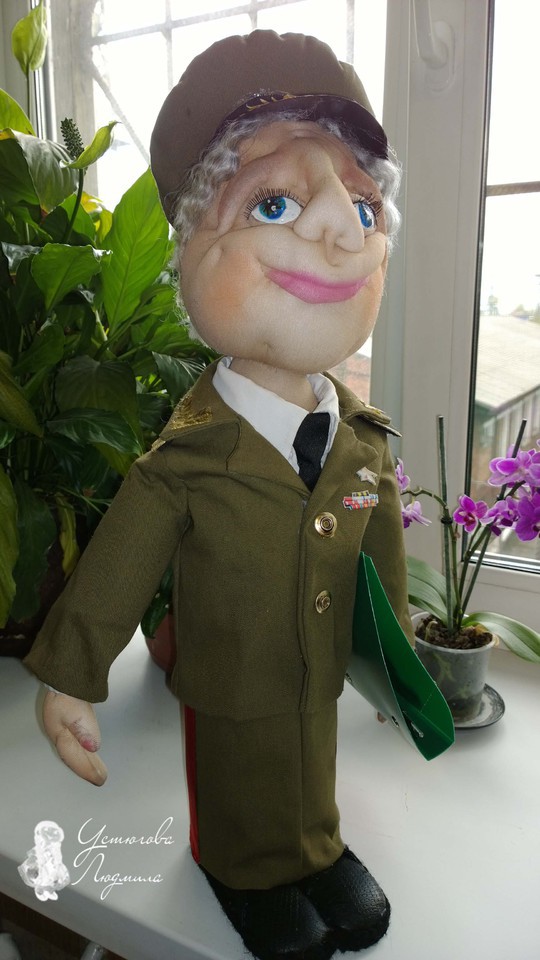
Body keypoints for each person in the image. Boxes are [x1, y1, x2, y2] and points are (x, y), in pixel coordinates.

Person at [25, 30, 413, 960]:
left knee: (311, 765)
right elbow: (120, 566)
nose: (340, 231)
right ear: (189, 249)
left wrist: (397, 663)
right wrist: (70, 677)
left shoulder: (361, 442)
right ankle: (243, 869)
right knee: (244, 777)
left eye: (362, 205)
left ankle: (316, 852)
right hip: (229, 677)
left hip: (318, 670)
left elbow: (382, 554)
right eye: (274, 201)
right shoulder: (187, 460)